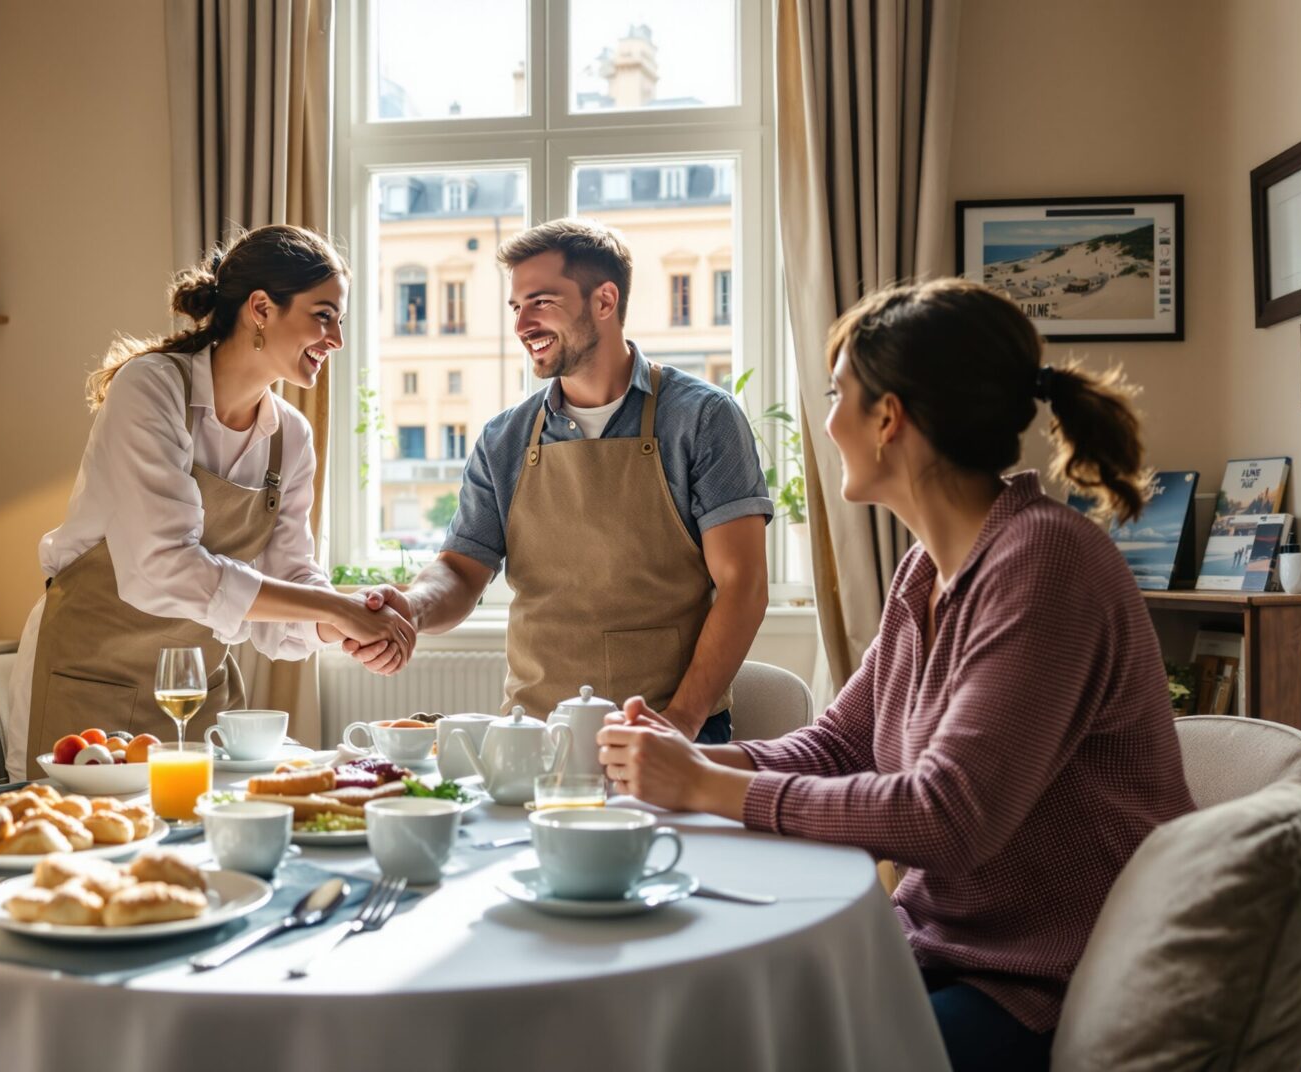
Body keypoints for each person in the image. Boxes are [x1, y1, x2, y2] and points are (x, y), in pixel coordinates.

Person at [595, 279, 1195, 1071]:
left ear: (888, 418)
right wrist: (683, 758)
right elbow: (842, 743)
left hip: (1042, 985)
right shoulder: (930, 568)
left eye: (836, 393)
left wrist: (709, 788)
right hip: (940, 953)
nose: (827, 420)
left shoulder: (1045, 562)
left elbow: (949, 815)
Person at [6, 224, 413, 777]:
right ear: (262, 309)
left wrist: (344, 622)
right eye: (323, 315)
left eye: (339, 320)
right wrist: (330, 608)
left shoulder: (289, 436)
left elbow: (289, 585)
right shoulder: (151, 389)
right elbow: (163, 568)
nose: (336, 339)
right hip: (89, 684)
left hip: (195, 692)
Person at [348, 219, 770, 741]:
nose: (523, 323)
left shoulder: (703, 419)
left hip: (666, 728)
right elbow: (460, 570)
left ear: (605, 300)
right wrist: (410, 606)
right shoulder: (504, 438)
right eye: (516, 307)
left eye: (541, 302)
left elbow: (743, 587)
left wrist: (679, 723)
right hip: (532, 733)